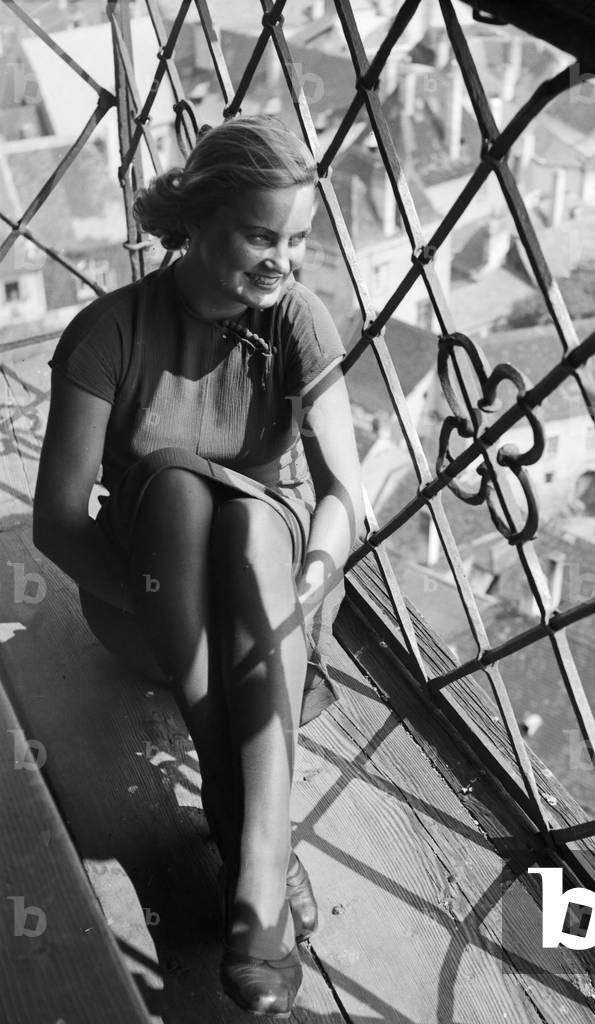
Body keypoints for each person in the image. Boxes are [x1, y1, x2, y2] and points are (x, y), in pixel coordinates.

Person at [33, 115, 364, 1017]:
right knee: (178, 490)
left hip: (270, 606)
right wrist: (153, 607)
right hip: (144, 601)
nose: (283, 261)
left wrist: (315, 578)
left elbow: (344, 493)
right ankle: (261, 844)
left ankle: (248, 849)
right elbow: (57, 526)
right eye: (261, 235)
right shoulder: (110, 332)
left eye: (297, 239)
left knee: (257, 526)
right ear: (196, 222)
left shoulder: (298, 319)